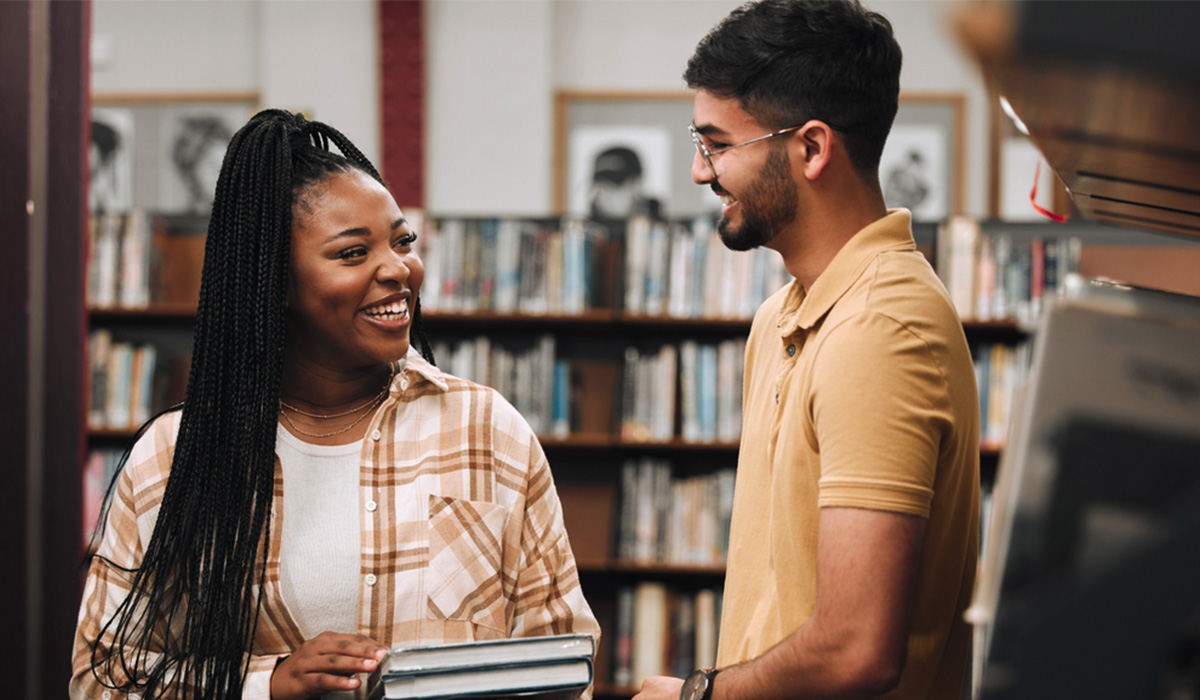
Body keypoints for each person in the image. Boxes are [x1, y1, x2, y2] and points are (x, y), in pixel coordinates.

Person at [71, 109, 599, 700]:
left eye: (403, 242)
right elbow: (102, 680)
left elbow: (563, 657)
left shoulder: (486, 429)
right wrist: (268, 686)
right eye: (352, 253)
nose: (398, 270)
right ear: (277, 282)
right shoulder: (173, 458)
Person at [637, 1, 980, 699]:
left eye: (717, 144)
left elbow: (857, 650)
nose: (701, 173)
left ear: (812, 148)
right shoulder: (781, 317)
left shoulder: (883, 329)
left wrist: (699, 695)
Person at [588, 145, 662, 221]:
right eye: (598, 185)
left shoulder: (664, 229)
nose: (600, 194)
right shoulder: (586, 228)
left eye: (611, 186)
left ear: (636, 185)